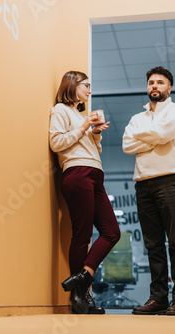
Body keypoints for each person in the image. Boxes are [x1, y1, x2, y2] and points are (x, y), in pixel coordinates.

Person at [49, 71, 120, 314]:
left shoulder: (79, 116)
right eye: (86, 85)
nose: (89, 90)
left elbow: (94, 149)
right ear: (72, 84)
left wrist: (96, 133)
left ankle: (82, 278)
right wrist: (84, 126)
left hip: (94, 173)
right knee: (82, 235)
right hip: (77, 172)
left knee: (112, 232)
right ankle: (80, 299)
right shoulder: (60, 110)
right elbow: (56, 143)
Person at [122, 66, 175, 316]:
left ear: (169, 88)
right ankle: (158, 298)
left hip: (170, 181)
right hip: (143, 184)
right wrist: (157, 138)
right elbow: (127, 144)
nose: (155, 86)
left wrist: (150, 138)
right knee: (153, 245)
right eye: (151, 82)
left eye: (160, 82)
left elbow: (163, 132)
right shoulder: (136, 118)